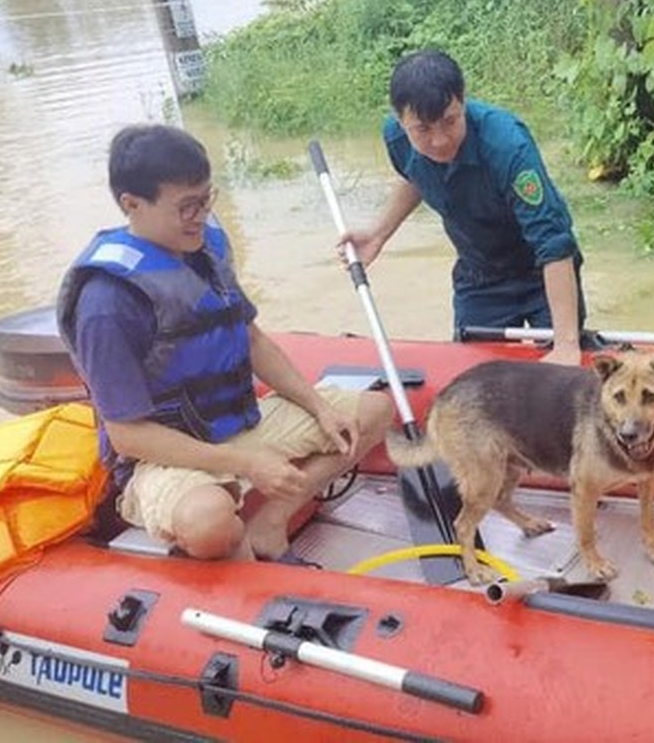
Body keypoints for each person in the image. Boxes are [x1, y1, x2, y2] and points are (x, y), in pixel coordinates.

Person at [58, 123, 393, 562]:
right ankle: (230, 533)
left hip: (241, 424)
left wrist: (320, 407)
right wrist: (247, 465)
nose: (200, 216)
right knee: (208, 523)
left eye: (206, 200)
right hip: (166, 457)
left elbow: (251, 339)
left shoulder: (208, 248)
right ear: (132, 204)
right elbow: (127, 436)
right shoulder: (106, 304)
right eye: (186, 207)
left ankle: (269, 524)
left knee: (371, 412)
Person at [340, 48, 588, 366]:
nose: (440, 140)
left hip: (541, 273)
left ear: (463, 101)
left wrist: (567, 344)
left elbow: (553, 243)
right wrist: (378, 235)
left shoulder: (508, 146)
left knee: (559, 380)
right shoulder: (397, 140)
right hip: (479, 277)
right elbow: (415, 176)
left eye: (449, 121)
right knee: (475, 379)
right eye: (423, 130)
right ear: (400, 121)